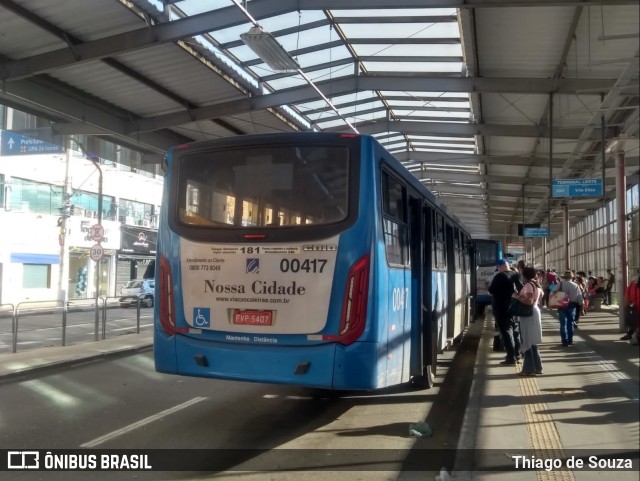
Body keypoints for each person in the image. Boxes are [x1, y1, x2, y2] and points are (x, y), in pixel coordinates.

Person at [489, 259, 523, 364]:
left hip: (501, 308)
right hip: (514, 308)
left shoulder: (500, 276)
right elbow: (520, 288)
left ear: (502, 266)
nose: (498, 269)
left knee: (506, 333)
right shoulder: (515, 274)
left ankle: (510, 357)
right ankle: (517, 355)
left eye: (498, 267)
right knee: (515, 332)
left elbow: (491, 290)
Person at [513, 266, 544, 376]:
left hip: (528, 314)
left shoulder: (528, 285)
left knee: (527, 341)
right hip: (535, 311)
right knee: (533, 341)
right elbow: (539, 297)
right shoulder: (537, 285)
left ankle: (529, 369)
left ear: (524, 275)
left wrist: (516, 296)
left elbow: (529, 300)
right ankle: (538, 367)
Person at [553, 270, 583, 346]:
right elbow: (579, 297)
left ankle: (564, 340)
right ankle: (570, 339)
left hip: (562, 305)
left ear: (564, 277)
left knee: (563, 324)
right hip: (572, 305)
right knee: (571, 322)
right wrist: (581, 306)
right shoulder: (576, 285)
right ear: (572, 277)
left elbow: (553, 291)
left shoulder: (560, 284)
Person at [621, 271, 640, 341]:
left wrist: (627, 307)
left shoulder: (632, 286)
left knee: (634, 322)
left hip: (635, 310)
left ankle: (631, 335)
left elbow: (626, 300)